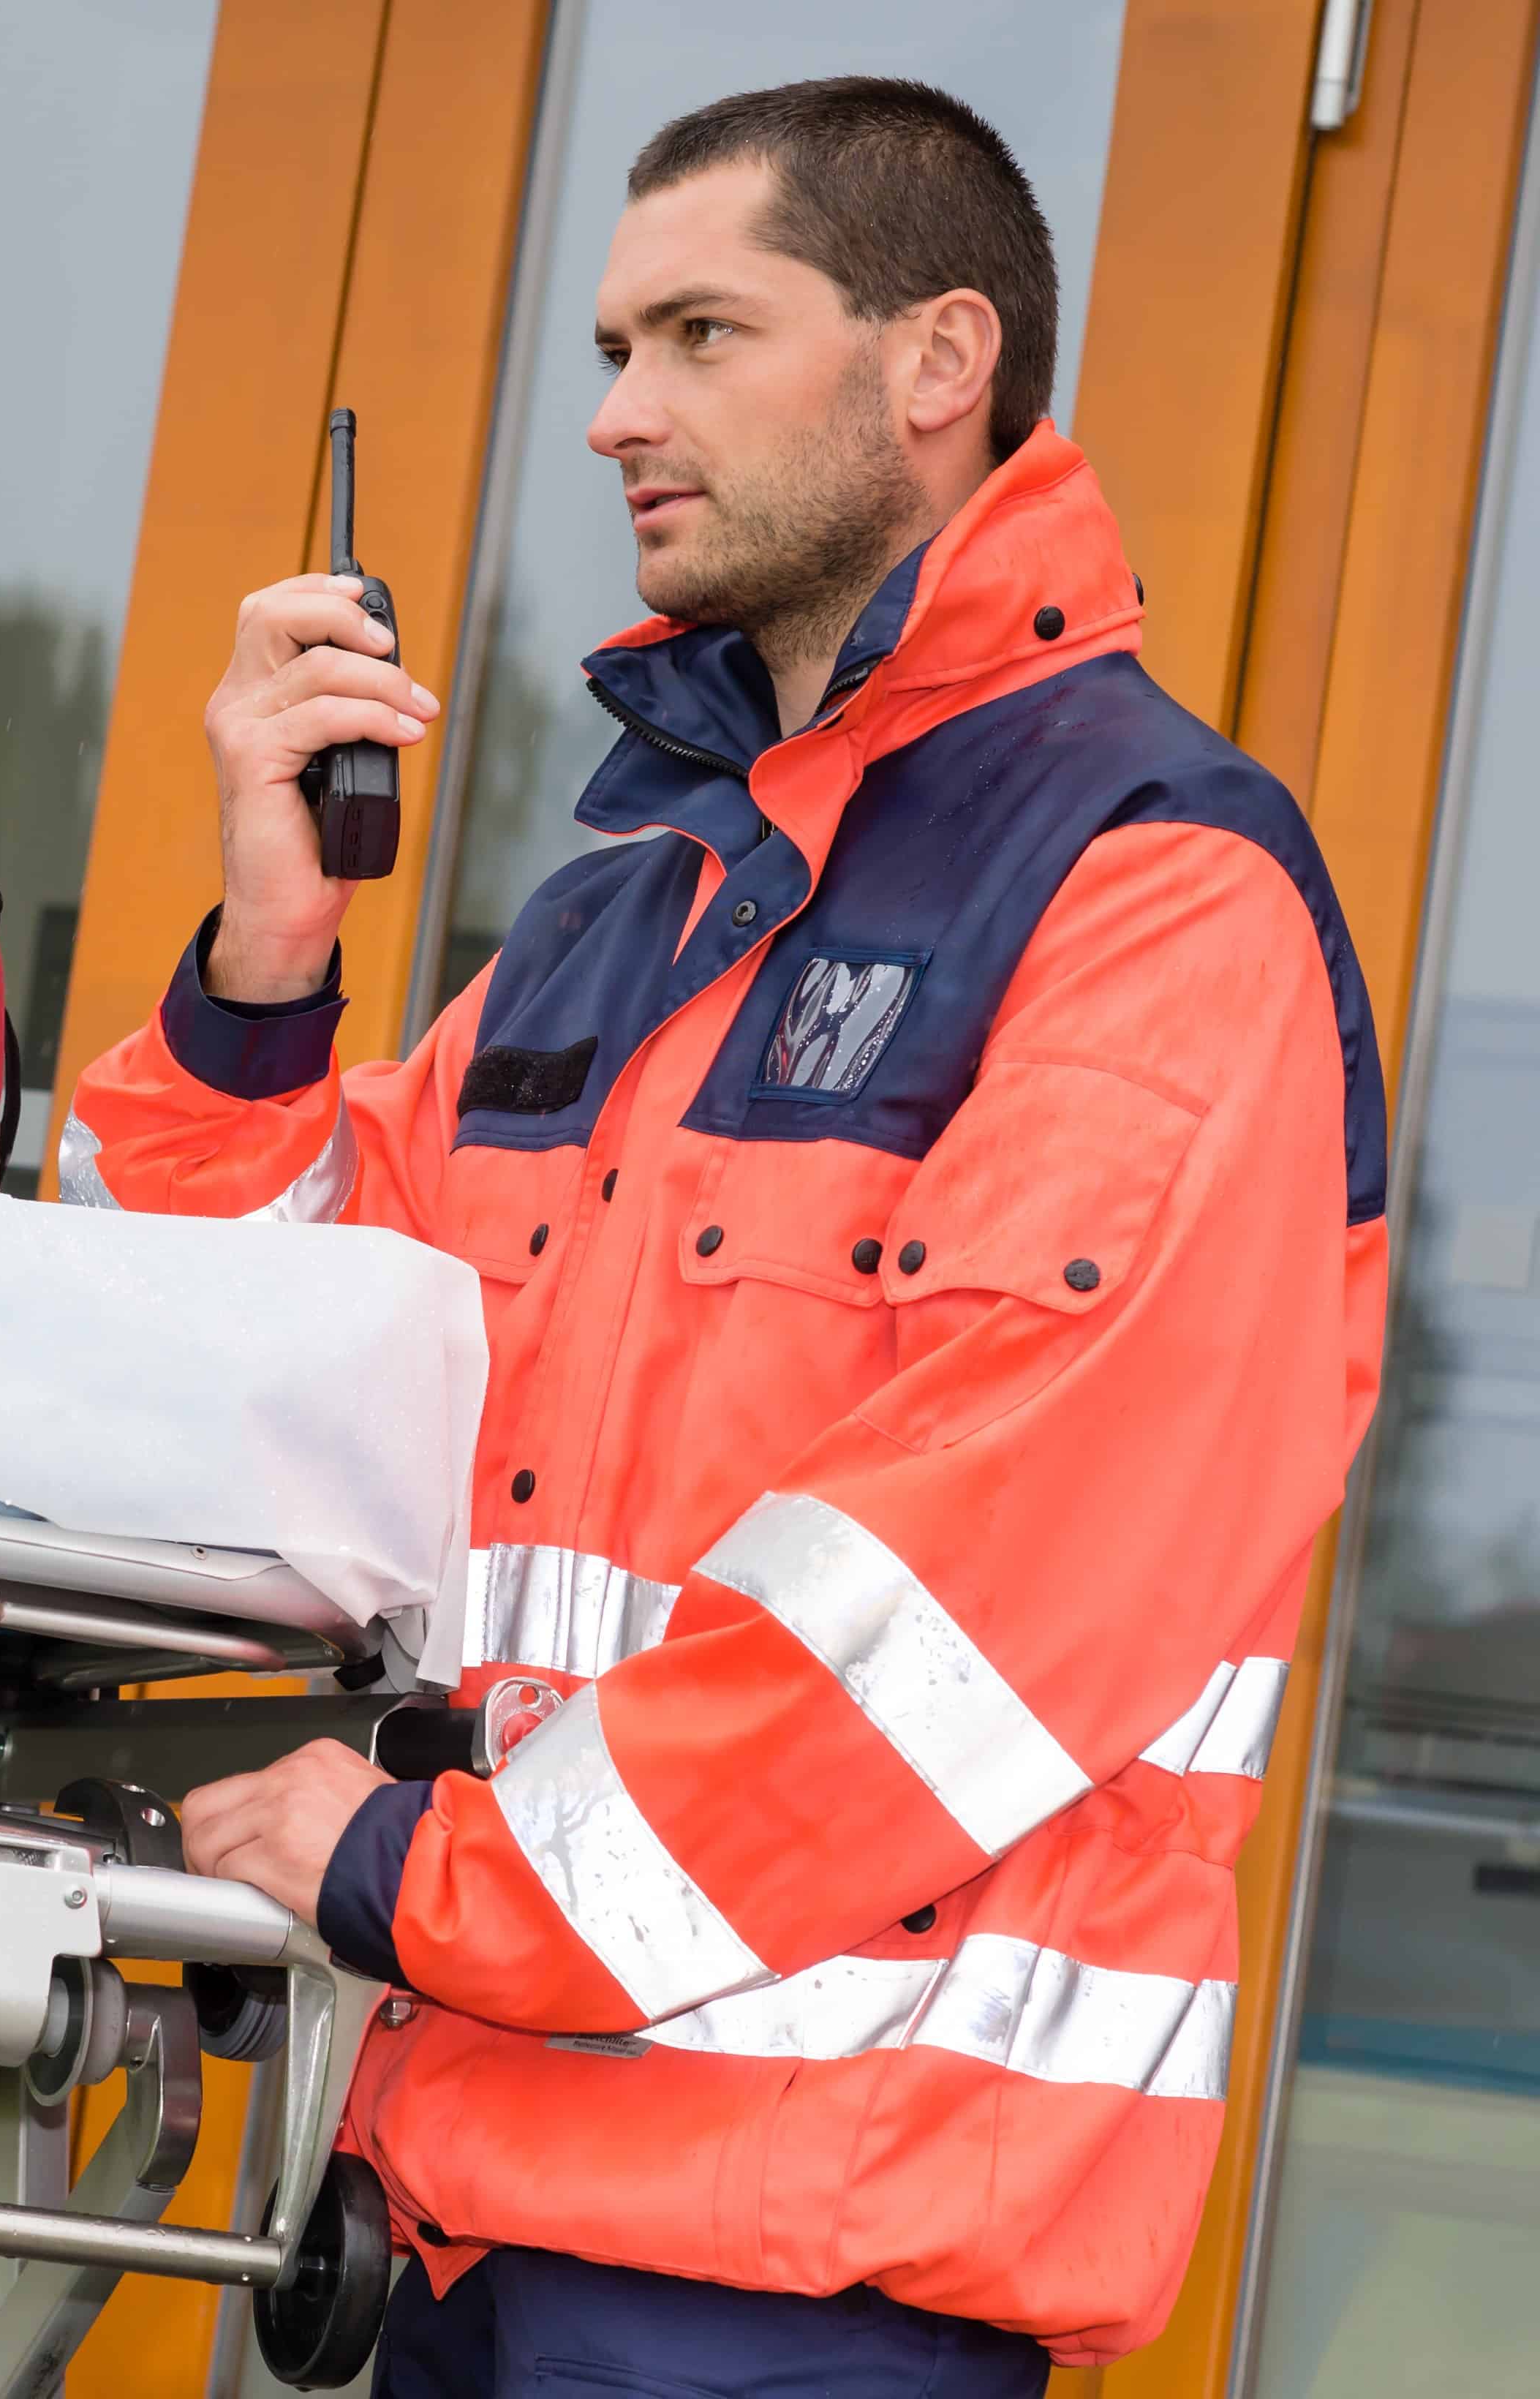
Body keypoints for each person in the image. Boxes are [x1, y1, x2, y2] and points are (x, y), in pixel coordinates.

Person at [68, 80, 1386, 2396]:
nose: (614, 418)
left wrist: (413, 1876)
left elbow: (953, 1620)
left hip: (806, 2300)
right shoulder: (623, 919)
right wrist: (266, 974)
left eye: (695, 334)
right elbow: (247, 1371)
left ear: (935, 360)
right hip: (454, 2241)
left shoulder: (1155, 894)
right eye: (609, 347)